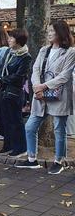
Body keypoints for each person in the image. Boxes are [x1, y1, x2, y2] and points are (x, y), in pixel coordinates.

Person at [16, 21, 75, 174]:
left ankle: (59, 161)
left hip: (60, 95)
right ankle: (31, 159)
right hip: (40, 95)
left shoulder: (70, 52)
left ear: (61, 33)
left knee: (59, 128)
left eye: (52, 31)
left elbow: (65, 75)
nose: (49, 34)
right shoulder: (44, 50)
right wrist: (37, 86)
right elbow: (36, 69)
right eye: (48, 31)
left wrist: (44, 86)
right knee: (30, 126)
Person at [0, 28, 31, 157]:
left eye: (12, 38)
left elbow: (19, 76)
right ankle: (8, 145)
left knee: (16, 120)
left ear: (19, 40)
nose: (9, 40)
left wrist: (3, 80)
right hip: (5, 90)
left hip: (15, 92)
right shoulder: (9, 53)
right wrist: (1, 80)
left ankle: (20, 147)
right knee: (6, 119)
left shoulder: (26, 57)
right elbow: (2, 69)